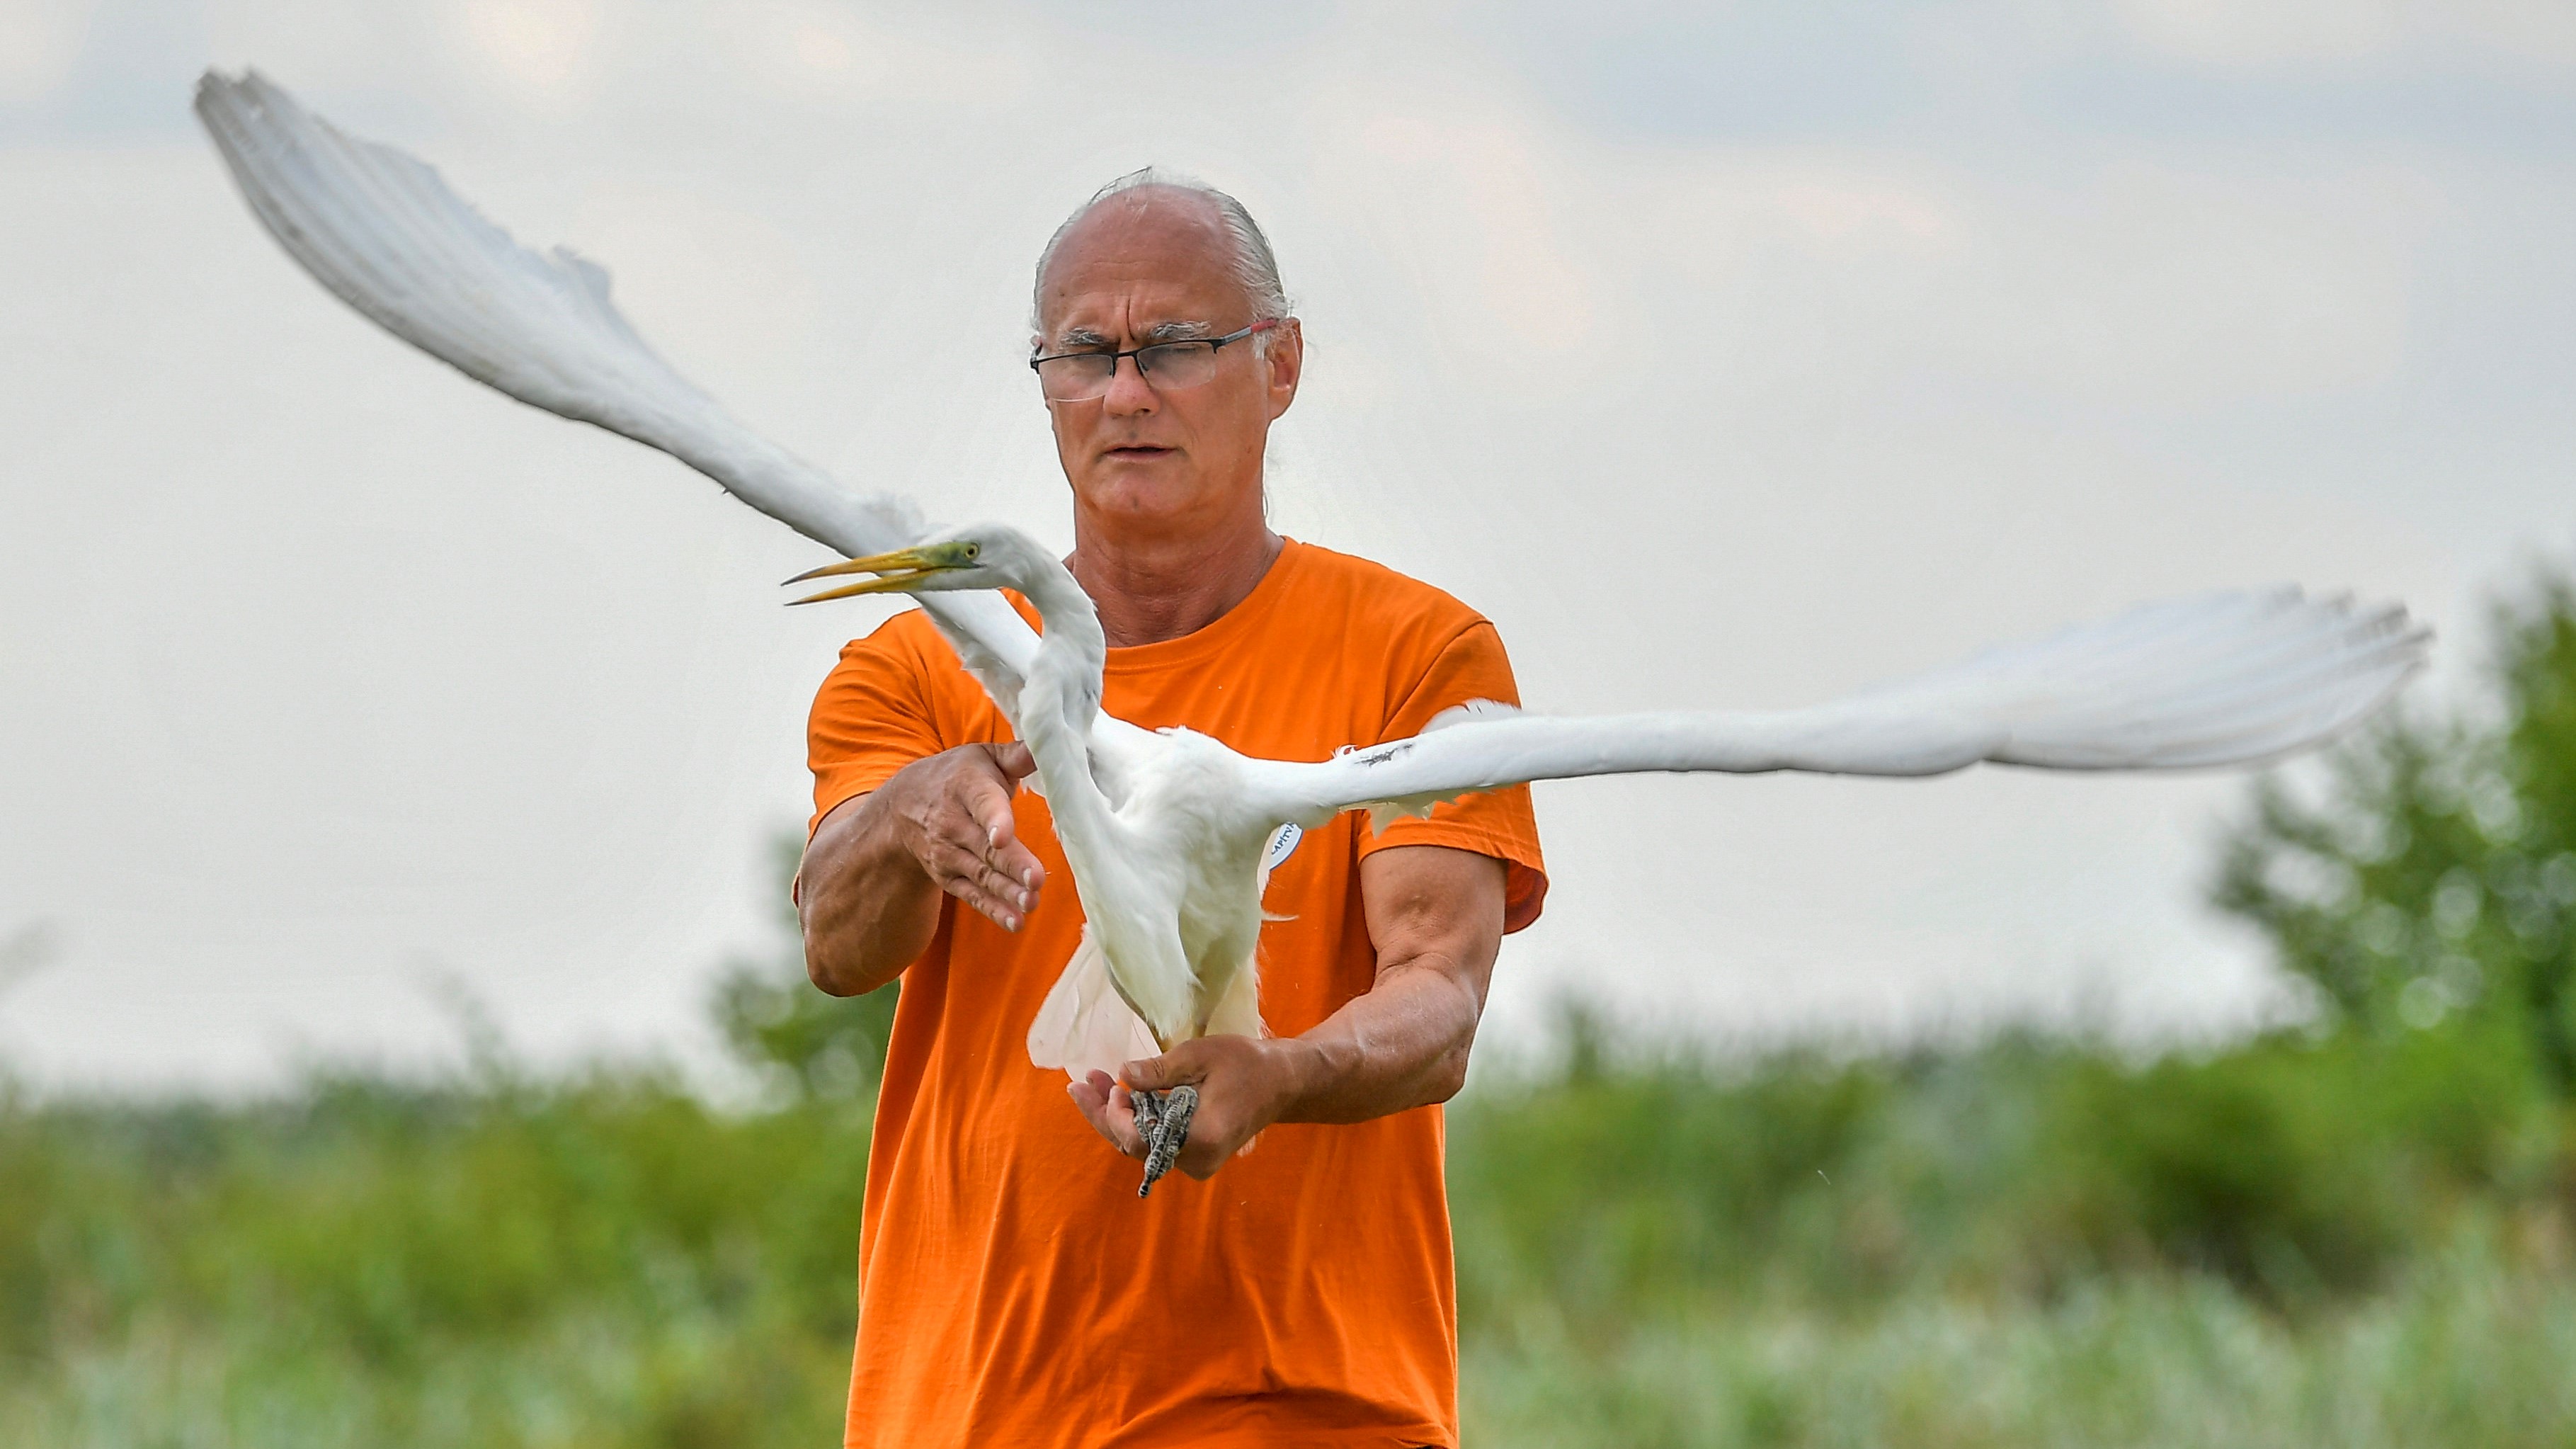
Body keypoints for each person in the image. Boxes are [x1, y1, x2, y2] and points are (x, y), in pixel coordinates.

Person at [796, 169, 1546, 1449]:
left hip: (1309, 1417)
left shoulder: (1415, 657)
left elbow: (1437, 1004)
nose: (1127, 392)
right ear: (1043, 382)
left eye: (1178, 347)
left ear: (1283, 364)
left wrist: (1275, 1076)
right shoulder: (915, 666)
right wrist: (912, 816)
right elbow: (836, 943)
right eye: (1086, 352)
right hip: (969, 1413)